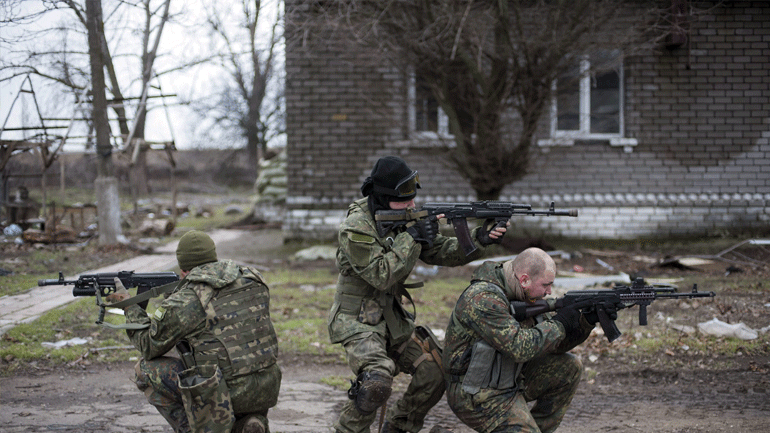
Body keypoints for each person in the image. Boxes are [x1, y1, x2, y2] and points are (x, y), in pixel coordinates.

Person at [329, 155, 508, 433]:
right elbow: (381, 274)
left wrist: (479, 239)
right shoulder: (356, 227)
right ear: (383, 198)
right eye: (405, 200)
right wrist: (411, 236)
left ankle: (399, 428)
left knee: (435, 371)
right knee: (376, 382)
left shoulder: (403, 220)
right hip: (357, 321)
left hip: (391, 318)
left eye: (413, 199)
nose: (412, 205)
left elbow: (440, 251)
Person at [106, 230, 281, 433]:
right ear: (213, 255)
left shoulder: (187, 301)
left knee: (145, 371)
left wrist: (129, 306)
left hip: (223, 393)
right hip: (265, 387)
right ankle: (248, 422)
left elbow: (148, 346)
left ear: (182, 269)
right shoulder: (253, 278)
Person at [442, 247, 622, 433]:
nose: (549, 291)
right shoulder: (484, 298)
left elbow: (552, 345)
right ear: (525, 279)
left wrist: (586, 322)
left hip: (509, 377)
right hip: (476, 392)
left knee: (569, 367)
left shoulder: (524, 294)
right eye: (546, 285)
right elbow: (519, 347)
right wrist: (559, 323)